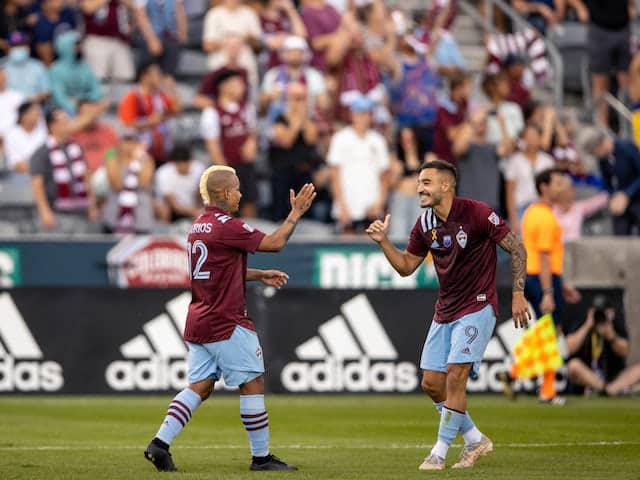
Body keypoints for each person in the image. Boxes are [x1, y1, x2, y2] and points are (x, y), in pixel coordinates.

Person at [143, 166, 316, 472]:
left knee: (201, 386)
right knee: (252, 382)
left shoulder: (199, 225)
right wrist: (296, 213)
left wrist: (259, 274)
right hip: (226, 321)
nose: (240, 193)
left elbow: (218, 271)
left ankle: (159, 444)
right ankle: (261, 458)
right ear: (224, 193)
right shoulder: (228, 225)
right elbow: (275, 243)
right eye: (236, 188)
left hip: (199, 318)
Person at [365, 159, 530, 470]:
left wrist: (518, 294)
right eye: (418, 183)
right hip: (445, 309)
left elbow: (517, 249)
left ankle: (438, 453)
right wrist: (384, 242)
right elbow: (405, 267)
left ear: (446, 185)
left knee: (456, 376)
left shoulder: (479, 213)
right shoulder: (424, 225)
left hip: (478, 304)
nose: (419, 189)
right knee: (431, 382)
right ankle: (475, 439)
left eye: (426, 183)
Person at [521, 168, 581, 404]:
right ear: (543, 187)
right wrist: (549, 291)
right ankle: (546, 389)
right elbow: (545, 256)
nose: (562, 187)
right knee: (550, 332)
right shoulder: (545, 217)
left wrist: (561, 284)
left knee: (546, 332)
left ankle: (531, 379)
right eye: (557, 183)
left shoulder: (533, 212)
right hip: (541, 277)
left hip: (536, 275)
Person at [200, 68, 258, 218]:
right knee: (229, 207)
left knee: (250, 201)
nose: (242, 87)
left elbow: (252, 130)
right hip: (227, 166)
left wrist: (252, 141)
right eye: (237, 84)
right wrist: (226, 174)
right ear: (223, 87)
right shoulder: (212, 113)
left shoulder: (247, 108)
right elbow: (213, 147)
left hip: (246, 166)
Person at [328, 94, 390, 233]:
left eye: (367, 113)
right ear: (353, 115)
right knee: (346, 247)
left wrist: (379, 202)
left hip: (372, 207)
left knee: (372, 246)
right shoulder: (340, 139)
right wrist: (341, 205)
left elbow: (385, 175)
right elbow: (334, 175)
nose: (363, 117)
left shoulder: (378, 140)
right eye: (360, 113)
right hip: (347, 205)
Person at [30, 107, 97, 233]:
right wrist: (45, 212)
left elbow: (86, 177)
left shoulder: (76, 149)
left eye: (68, 121)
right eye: (64, 122)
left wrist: (91, 204)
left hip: (81, 211)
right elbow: (37, 184)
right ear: (52, 126)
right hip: (57, 214)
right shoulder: (42, 152)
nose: (68, 125)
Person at [566, 296, 640, 396]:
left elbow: (625, 351)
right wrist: (587, 326)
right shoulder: (583, 323)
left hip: (613, 378)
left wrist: (611, 336)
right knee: (573, 365)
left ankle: (609, 390)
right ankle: (604, 389)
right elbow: (568, 349)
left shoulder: (615, 325)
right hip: (588, 377)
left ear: (611, 312)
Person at [118, 61, 181, 165]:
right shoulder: (132, 96)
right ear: (145, 76)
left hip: (162, 148)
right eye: (157, 74)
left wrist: (172, 88)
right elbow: (127, 124)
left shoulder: (160, 95)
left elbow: (177, 111)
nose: (160, 77)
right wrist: (150, 122)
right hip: (140, 149)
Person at [452, 106, 513, 211]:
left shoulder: (492, 147)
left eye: (484, 122)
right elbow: (457, 148)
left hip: (490, 206)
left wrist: (502, 124)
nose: (482, 124)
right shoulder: (467, 146)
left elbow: (507, 151)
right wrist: (472, 121)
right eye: (480, 122)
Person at [581, 128, 640, 235]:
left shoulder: (625, 147)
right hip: (621, 200)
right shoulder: (603, 160)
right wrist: (614, 196)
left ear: (599, 145)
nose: (595, 156)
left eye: (593, 152)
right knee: (620, 230)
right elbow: (607, 183)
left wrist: (627, 194)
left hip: (636, 195)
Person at [503, 123, 555, 232]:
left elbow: (552, 188)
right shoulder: (514, 161)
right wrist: (513, 219)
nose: (532, 140)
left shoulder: (548, 161)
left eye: (535, 136)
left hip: (543, 207)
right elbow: (509, 192)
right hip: (522, 209)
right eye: (528, 136)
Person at [202, 0, 262, 93]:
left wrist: (249, 39)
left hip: (245, 64)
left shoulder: (249, 13)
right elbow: (208, 46)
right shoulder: (214, 14)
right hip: (220, 66)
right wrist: (231, 41)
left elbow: (258, 46)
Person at [102, 134, 155, 234]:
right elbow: (116, 184)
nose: (128, 146)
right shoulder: (111, 155)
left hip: (140, 218)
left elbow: (144, 182)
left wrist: (136, 159)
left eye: (132, 142)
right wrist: (125, 161)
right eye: (126, 141)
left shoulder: (146, 158)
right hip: (114, 217)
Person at [49, 30, 105, 116]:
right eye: (76, 46)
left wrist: (84, 101)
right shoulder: (56, 69)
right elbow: (59, 98)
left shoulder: (85, 66)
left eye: (80, 45)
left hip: (87, 106)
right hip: (64, 112)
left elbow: (97, 90)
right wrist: (77, 108)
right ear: (66, 47)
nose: (80, 48)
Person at [80, 0, 134, 82]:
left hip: (120, 40)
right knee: (98, 78)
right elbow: (87, 7)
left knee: (125, 78)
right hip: (97, 39)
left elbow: (134, 5)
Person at [134, 0, 188, 78]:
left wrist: (182, 34)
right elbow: (141, 16)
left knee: (169, 74)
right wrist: (152, 39)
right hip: (149, 36)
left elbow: (180, 12)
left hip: (170, 37)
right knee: (150, 68)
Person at [155, 144, 206, 222]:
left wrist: (198, 209)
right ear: (175, 163)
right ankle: (164, 231)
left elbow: (200, 195)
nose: (185, 167)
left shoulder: (199, 169)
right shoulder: (163, 173)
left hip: (193, 205)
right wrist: (193, 212)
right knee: (163, 209)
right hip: (172, 209)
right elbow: (172, 202)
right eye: (181, 164)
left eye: (187, 163)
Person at [3, 31, 51, 104]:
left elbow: (47, 92)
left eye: (22, 45)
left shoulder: (37, 66)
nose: (19, 48)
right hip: (7, 109)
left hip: (33, 109)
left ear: (28, 46)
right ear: (8, 48)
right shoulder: (2, 66)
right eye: (15, 46)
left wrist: (31, 100)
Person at [4, 101, 47, 174]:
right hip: (22, 176)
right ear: (23, 116)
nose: (38, 116)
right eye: (35, 114)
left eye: (38, 114)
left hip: (46, 172)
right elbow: (17, 165)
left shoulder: (44, 130)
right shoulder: (12, 135)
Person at [33, 0, 77, 65]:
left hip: (73, 57)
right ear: (45, 4)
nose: (60, 2)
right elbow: (45, 51)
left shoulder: (68, 13)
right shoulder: (41, 24)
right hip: (55, 62)